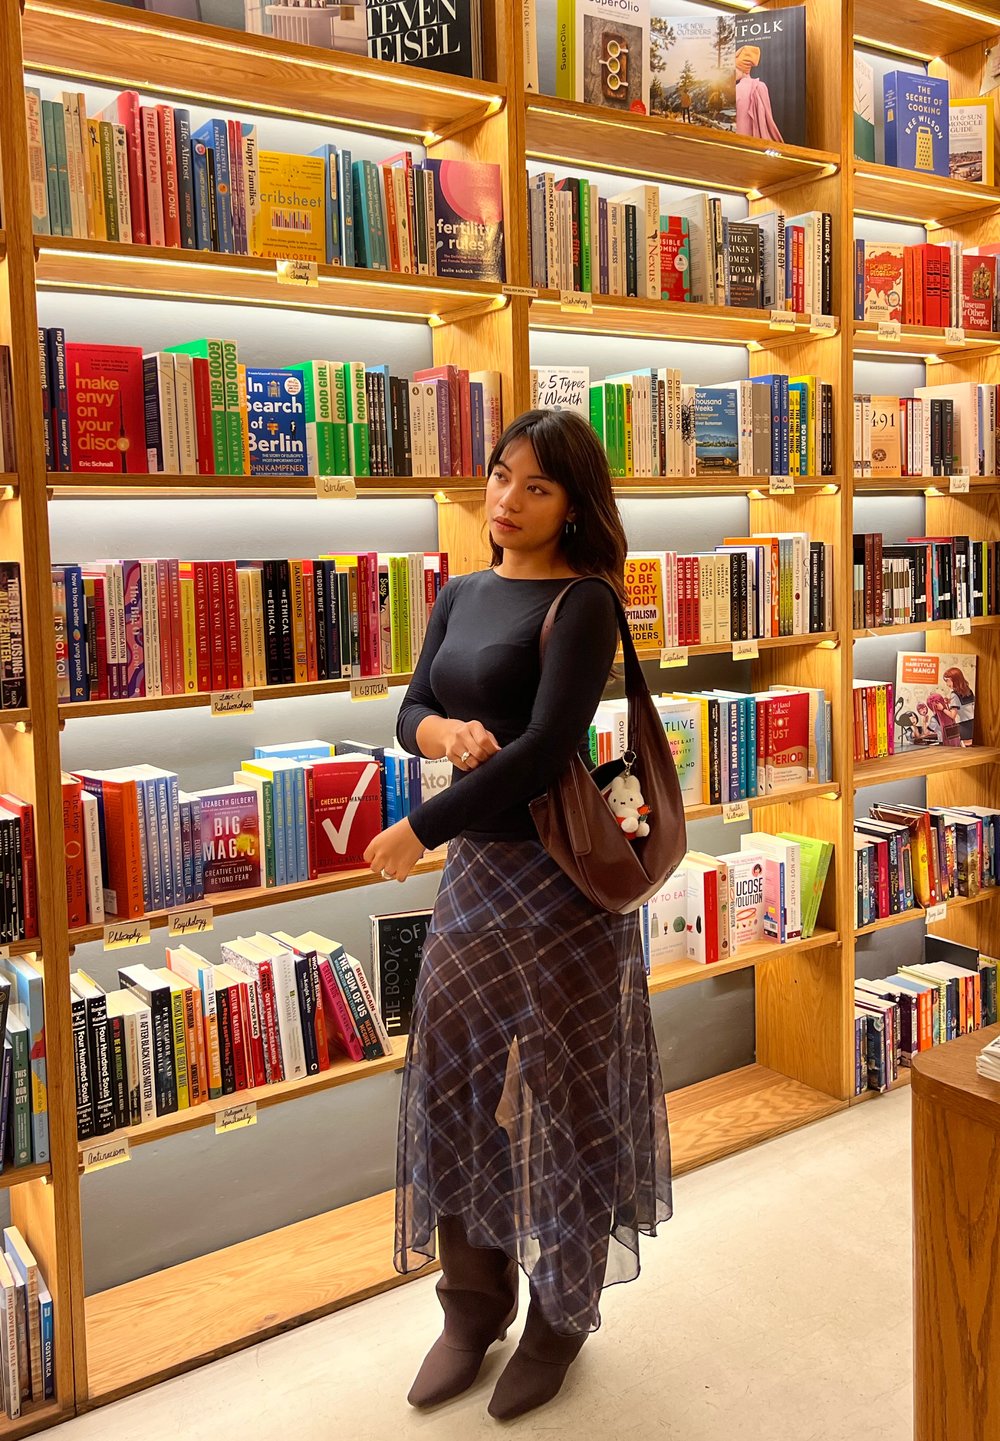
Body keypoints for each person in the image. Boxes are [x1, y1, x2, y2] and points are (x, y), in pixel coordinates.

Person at [363, 408, 673, 1420]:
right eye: (500, 475)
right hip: (477, 884)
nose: (506, 498)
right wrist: (443, 730)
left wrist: (421, 825)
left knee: (569, 1099)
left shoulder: (583, 602)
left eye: (534, 486)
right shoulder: (460, 591)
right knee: (450, 1084)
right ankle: (470, 1305)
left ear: (574, 504)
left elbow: (545, 752)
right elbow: (408, 709)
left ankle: (561, 1315)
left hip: (558, 885)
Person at [735, 44, 782, 142]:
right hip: (754, 140)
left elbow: (766, 118)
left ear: (743, 68)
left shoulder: (755, 87)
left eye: (735, 69)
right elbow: (767, 120)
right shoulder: (760, 86)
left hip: (740, 140)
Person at [942, 666, 976, 746]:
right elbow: (964, 704)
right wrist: (950, 701)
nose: (947, 684)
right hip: (973, 723)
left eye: (947, 681)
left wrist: (942, 708)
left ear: (955, 679)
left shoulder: (954, 694)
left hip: (964, 726)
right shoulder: (968, 690)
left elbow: (952, 715)